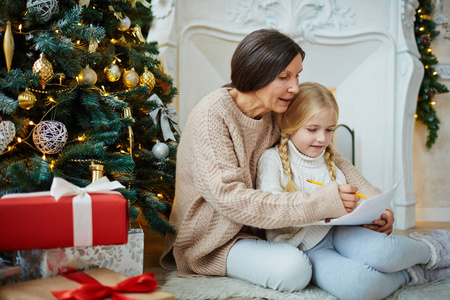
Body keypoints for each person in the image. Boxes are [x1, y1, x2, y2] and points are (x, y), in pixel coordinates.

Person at [160, 28, 374, 292]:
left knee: (355, 247)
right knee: (294, 271)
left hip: (264, 232)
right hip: (213, 242)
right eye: (284, 77)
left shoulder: (275, 111)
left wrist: (374, 202)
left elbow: (334, 158)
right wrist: (320, 203)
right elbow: (231, 199)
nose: (295, 87)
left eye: (297, 76)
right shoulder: (212, 117)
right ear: (255, 74)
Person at [256, 81, 450, 299]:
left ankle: (438, 246)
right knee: (359, 287)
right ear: (290, 125)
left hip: (344, 231)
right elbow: (270, 205)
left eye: (329, 130)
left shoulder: (331, 157)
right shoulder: (271, 159)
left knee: (385, 252)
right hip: (308, 249)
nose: (322, 138)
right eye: (312, 129)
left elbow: (365, 189)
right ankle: (413, 273)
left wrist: (382, 211)